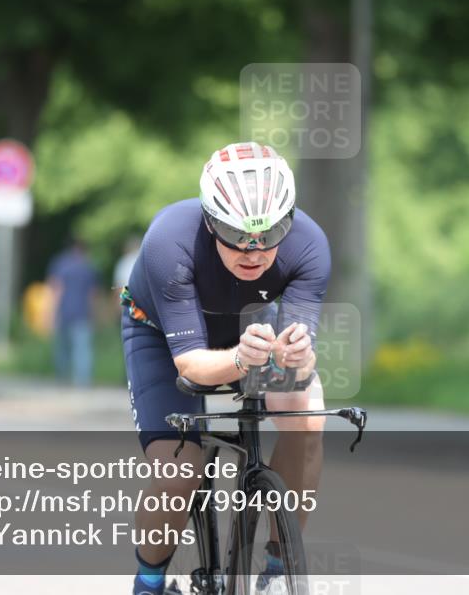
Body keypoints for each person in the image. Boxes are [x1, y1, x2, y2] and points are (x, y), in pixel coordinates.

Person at [120, 142, 330, 595]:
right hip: (161, 332)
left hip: (252, 326)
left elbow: (299, 345)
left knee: (306, 416)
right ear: (211, 221)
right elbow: (192, 367)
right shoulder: (168, 241)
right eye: (237, 236)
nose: (253, 251)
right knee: (179, 468)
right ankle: (149, 581)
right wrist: (238, 359)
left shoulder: (310, 244)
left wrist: (299, 355)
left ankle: (277, 570)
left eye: (270, 235)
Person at [47, 237, 100, 387]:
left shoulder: (60, 264)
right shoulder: (89, 267)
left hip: (64, 312)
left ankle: (62, 379)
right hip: (83, 314)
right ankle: (83, 382)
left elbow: (56, 290)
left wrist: (51, 313)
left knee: (62, 349)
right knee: (82, 350)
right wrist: (94, 315)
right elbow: (93, 295)